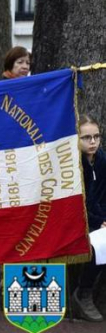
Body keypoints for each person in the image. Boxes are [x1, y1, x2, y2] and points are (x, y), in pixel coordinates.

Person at [72, 115, 106, 322]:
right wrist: (98, 220)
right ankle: (83, 293)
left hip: (100, 219)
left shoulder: (103, 160)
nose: (92, 142)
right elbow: (78, 204)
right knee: (100, 243)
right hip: (77, 221)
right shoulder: (72, 165)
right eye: (86, 137)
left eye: (96, 136)